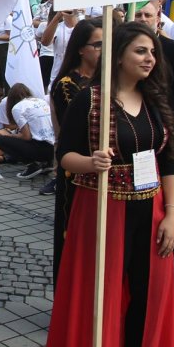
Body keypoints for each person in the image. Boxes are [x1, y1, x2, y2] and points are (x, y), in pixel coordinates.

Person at [40, 22, 174, 347]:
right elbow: (64, 155)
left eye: (152, 52)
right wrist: (90, 162)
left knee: (146, 293)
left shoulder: (156, 101)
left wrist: (172, 215)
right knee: (102, 294)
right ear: (119, 56)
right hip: (102, 208)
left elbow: (169, 162)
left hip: (151, 209)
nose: (149, 58)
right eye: (140, 51)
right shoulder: (90, 101)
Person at [46, 17, 104, 266]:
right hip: (78, 171)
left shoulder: (110, 81)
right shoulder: (68, 85)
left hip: (104, 171)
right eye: (98, 44)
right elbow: (79, 132)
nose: (104, 50)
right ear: (81, 48)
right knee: (75, 239)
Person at [1, 83, 55, 180]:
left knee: (1, 140)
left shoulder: (17, 107)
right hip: (53, 148)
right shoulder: (41, 101)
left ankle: (32, 165)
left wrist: (10, 135)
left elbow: (27, 136)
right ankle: (47, 163)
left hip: (40, 148)